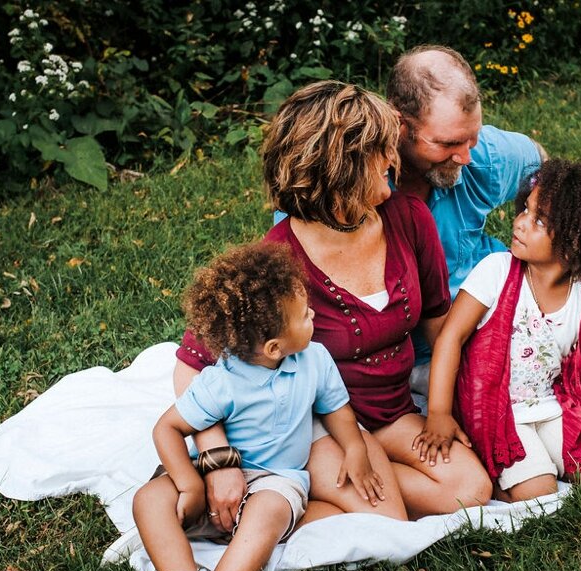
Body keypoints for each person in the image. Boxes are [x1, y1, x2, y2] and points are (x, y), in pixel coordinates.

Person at [175, 81, 492, 524]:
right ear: (339, 167)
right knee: (388, 521)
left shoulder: (410, 219)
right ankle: (280, 494)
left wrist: (477, 397)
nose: (392, 158)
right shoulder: (277, 258)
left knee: (471, 490)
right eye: (379, 150)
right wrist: (219, 461)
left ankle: (315, 495)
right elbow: (192, 365)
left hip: (391, 412)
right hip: (312, 426)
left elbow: (440, 325)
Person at [134, 242, 395, 571]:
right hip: (222, 473)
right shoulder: (222, 380)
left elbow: (339, 411)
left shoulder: (316, 359)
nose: (314, 315)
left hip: (278, 480)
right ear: (274, 347)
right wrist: (189, 485)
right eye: (305, 314)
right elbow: (167, 427)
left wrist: (356, 451)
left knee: (268, 512)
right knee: (148, 498)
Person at [386, 45, 581, 378]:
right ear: (400, 125)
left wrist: (537, 225)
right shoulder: (362, 180)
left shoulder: (483, 156)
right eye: (448, 144)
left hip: (496, 294)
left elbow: (539, 163)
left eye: (471, 138)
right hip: (415, 337)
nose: (464, 156)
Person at [414, 160, 581, 502]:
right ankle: (493, 470)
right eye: (525, 209)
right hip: (494, 409)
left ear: (574, 243)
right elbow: (450, 338)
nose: (519, 222)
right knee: (539, 493)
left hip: (552, 405)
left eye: (538, 220)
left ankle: (539, 459)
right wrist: (438, 414)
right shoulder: (496, 271)